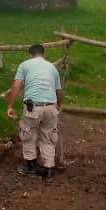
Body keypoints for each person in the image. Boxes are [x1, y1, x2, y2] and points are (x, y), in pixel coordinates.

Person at [7, 44, 62, 184]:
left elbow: (16, 85)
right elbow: (58, 90)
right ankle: (49, 171)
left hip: (33, 108)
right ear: (44, 53)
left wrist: (10, 106)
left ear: (30, 54)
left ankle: (31, 167)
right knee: (48, 137)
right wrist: (58, 105)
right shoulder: (52, 67)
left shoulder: (25, 65)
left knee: (29, 134)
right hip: (50, 107)